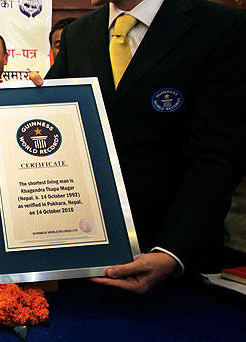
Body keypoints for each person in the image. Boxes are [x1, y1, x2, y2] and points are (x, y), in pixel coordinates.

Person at [46, 0, 246, 293]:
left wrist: (172, 251)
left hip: (176, 267)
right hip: (85, 258)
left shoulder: (220, 27)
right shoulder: (79, 33)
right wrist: (30, 102)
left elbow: (216, 155)